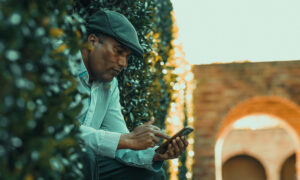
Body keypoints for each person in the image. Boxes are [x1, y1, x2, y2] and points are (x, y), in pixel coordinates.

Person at [73, 10, 189, 180]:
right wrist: (126, 139)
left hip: (89, 166)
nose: (123, 64)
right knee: (84, 156)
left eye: (127, 57)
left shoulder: (110, 85)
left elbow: (122, 141)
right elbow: (61, 131)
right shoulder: (61, 64)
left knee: (152, 176)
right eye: (118, 51)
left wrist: (156, 155)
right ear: (92, 42)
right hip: (49, 158)